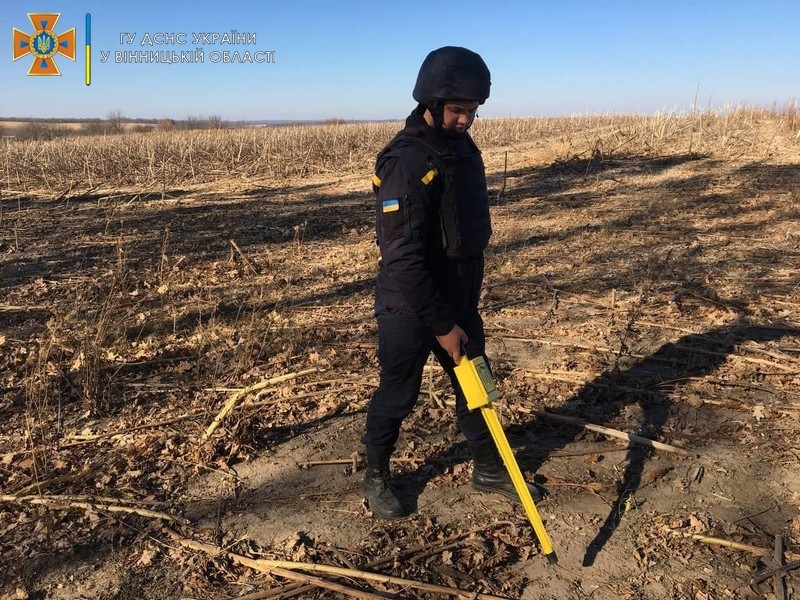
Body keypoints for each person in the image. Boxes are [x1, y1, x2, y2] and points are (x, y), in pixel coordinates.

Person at [361, 46, 543, 519]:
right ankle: (376, 474)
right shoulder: (404, 163)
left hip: (459, 301)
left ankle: (488, 469)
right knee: (398, 393)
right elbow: (401, 257)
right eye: (459, 110)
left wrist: (459, 312)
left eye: (474, 110)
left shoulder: (460, 146)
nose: (467, 119)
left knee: (476, 387)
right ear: (432, 102)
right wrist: (442, 324)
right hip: (410, 307)